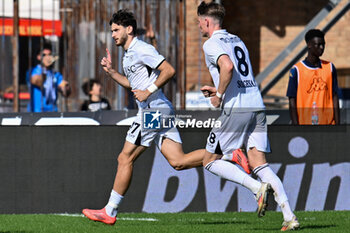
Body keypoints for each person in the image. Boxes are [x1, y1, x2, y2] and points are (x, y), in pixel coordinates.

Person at [82, 9, 270, 226]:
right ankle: (229, 155)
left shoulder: (142, 49)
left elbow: (168, 70)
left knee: (125, 158)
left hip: (154, 111)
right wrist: (112, 73)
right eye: (112, 31)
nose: (113, 34)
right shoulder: (128, 55)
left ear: (129, 29)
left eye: (116, 30)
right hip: (158, 110)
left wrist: (148, 90)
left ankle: (110, 210)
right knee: (178, 162)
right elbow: (134, 86)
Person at [197, 1, 299, 231]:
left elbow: (228, 66)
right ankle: (289, 216)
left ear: (206, 21)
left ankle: (256, 188)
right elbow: (238, 74)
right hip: (256, 105)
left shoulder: (211, 43)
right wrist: (218, 89)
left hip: (237, 109)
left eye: (199, 22)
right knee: (260, 164)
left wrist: (219, 95)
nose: (199, 27)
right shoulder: (237, 39)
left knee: (210, 161)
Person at [287, 29, 340, 125]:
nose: (322, 47)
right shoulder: (297, 70)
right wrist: (295, 128)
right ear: (309, 45)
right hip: (305, 127)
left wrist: (338, 126)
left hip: (328, 126)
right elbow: (292, 101)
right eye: (318, 44)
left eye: (323, 44)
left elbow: (335, 97)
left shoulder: (330, 67)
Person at [27, 44, 70, 112]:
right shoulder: (33, 71)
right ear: (38, 57)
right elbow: (36, 81)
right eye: (44, 55)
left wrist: (65, 88)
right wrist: (45, 71)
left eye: (49, 54)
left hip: (52, 110)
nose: (47, 57)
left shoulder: (56, 74)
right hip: (37, 111)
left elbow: (64, 90)